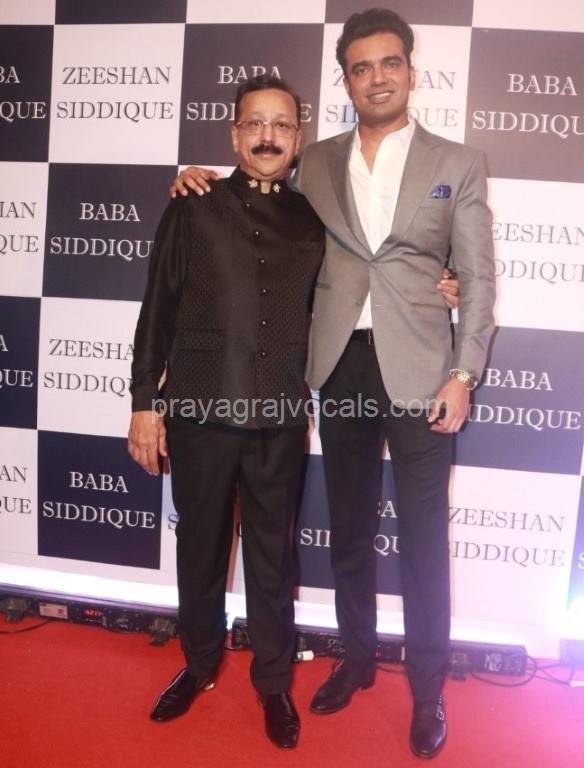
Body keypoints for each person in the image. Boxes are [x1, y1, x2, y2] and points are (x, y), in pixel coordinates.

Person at [172, 7, 495, 760]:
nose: (376, 78)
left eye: (389, 63)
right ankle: (356, 658)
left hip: (424, 373)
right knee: (348, 529)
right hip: (341, 365)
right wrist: (192, 178)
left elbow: (479, 279)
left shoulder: (458, 162)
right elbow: (254, 189)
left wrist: (464, 372)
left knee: (423, 541)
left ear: (411, 71)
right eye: (360, 67)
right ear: (346, 81)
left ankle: (427, 690)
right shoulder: (314, 160)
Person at [128, 75, 325, 750]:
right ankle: (199, 663)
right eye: (254, 124)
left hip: (279, 417)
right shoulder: (194, 204)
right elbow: (157, 308)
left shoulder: (314, 218)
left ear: (297, 137)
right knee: (200, 551)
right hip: (199, 412)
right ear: (235, 134)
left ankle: (273, 683)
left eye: (281, 125)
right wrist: (144, 403)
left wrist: (441, 284)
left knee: (273, 560)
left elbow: (363, 286)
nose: (268, 136)